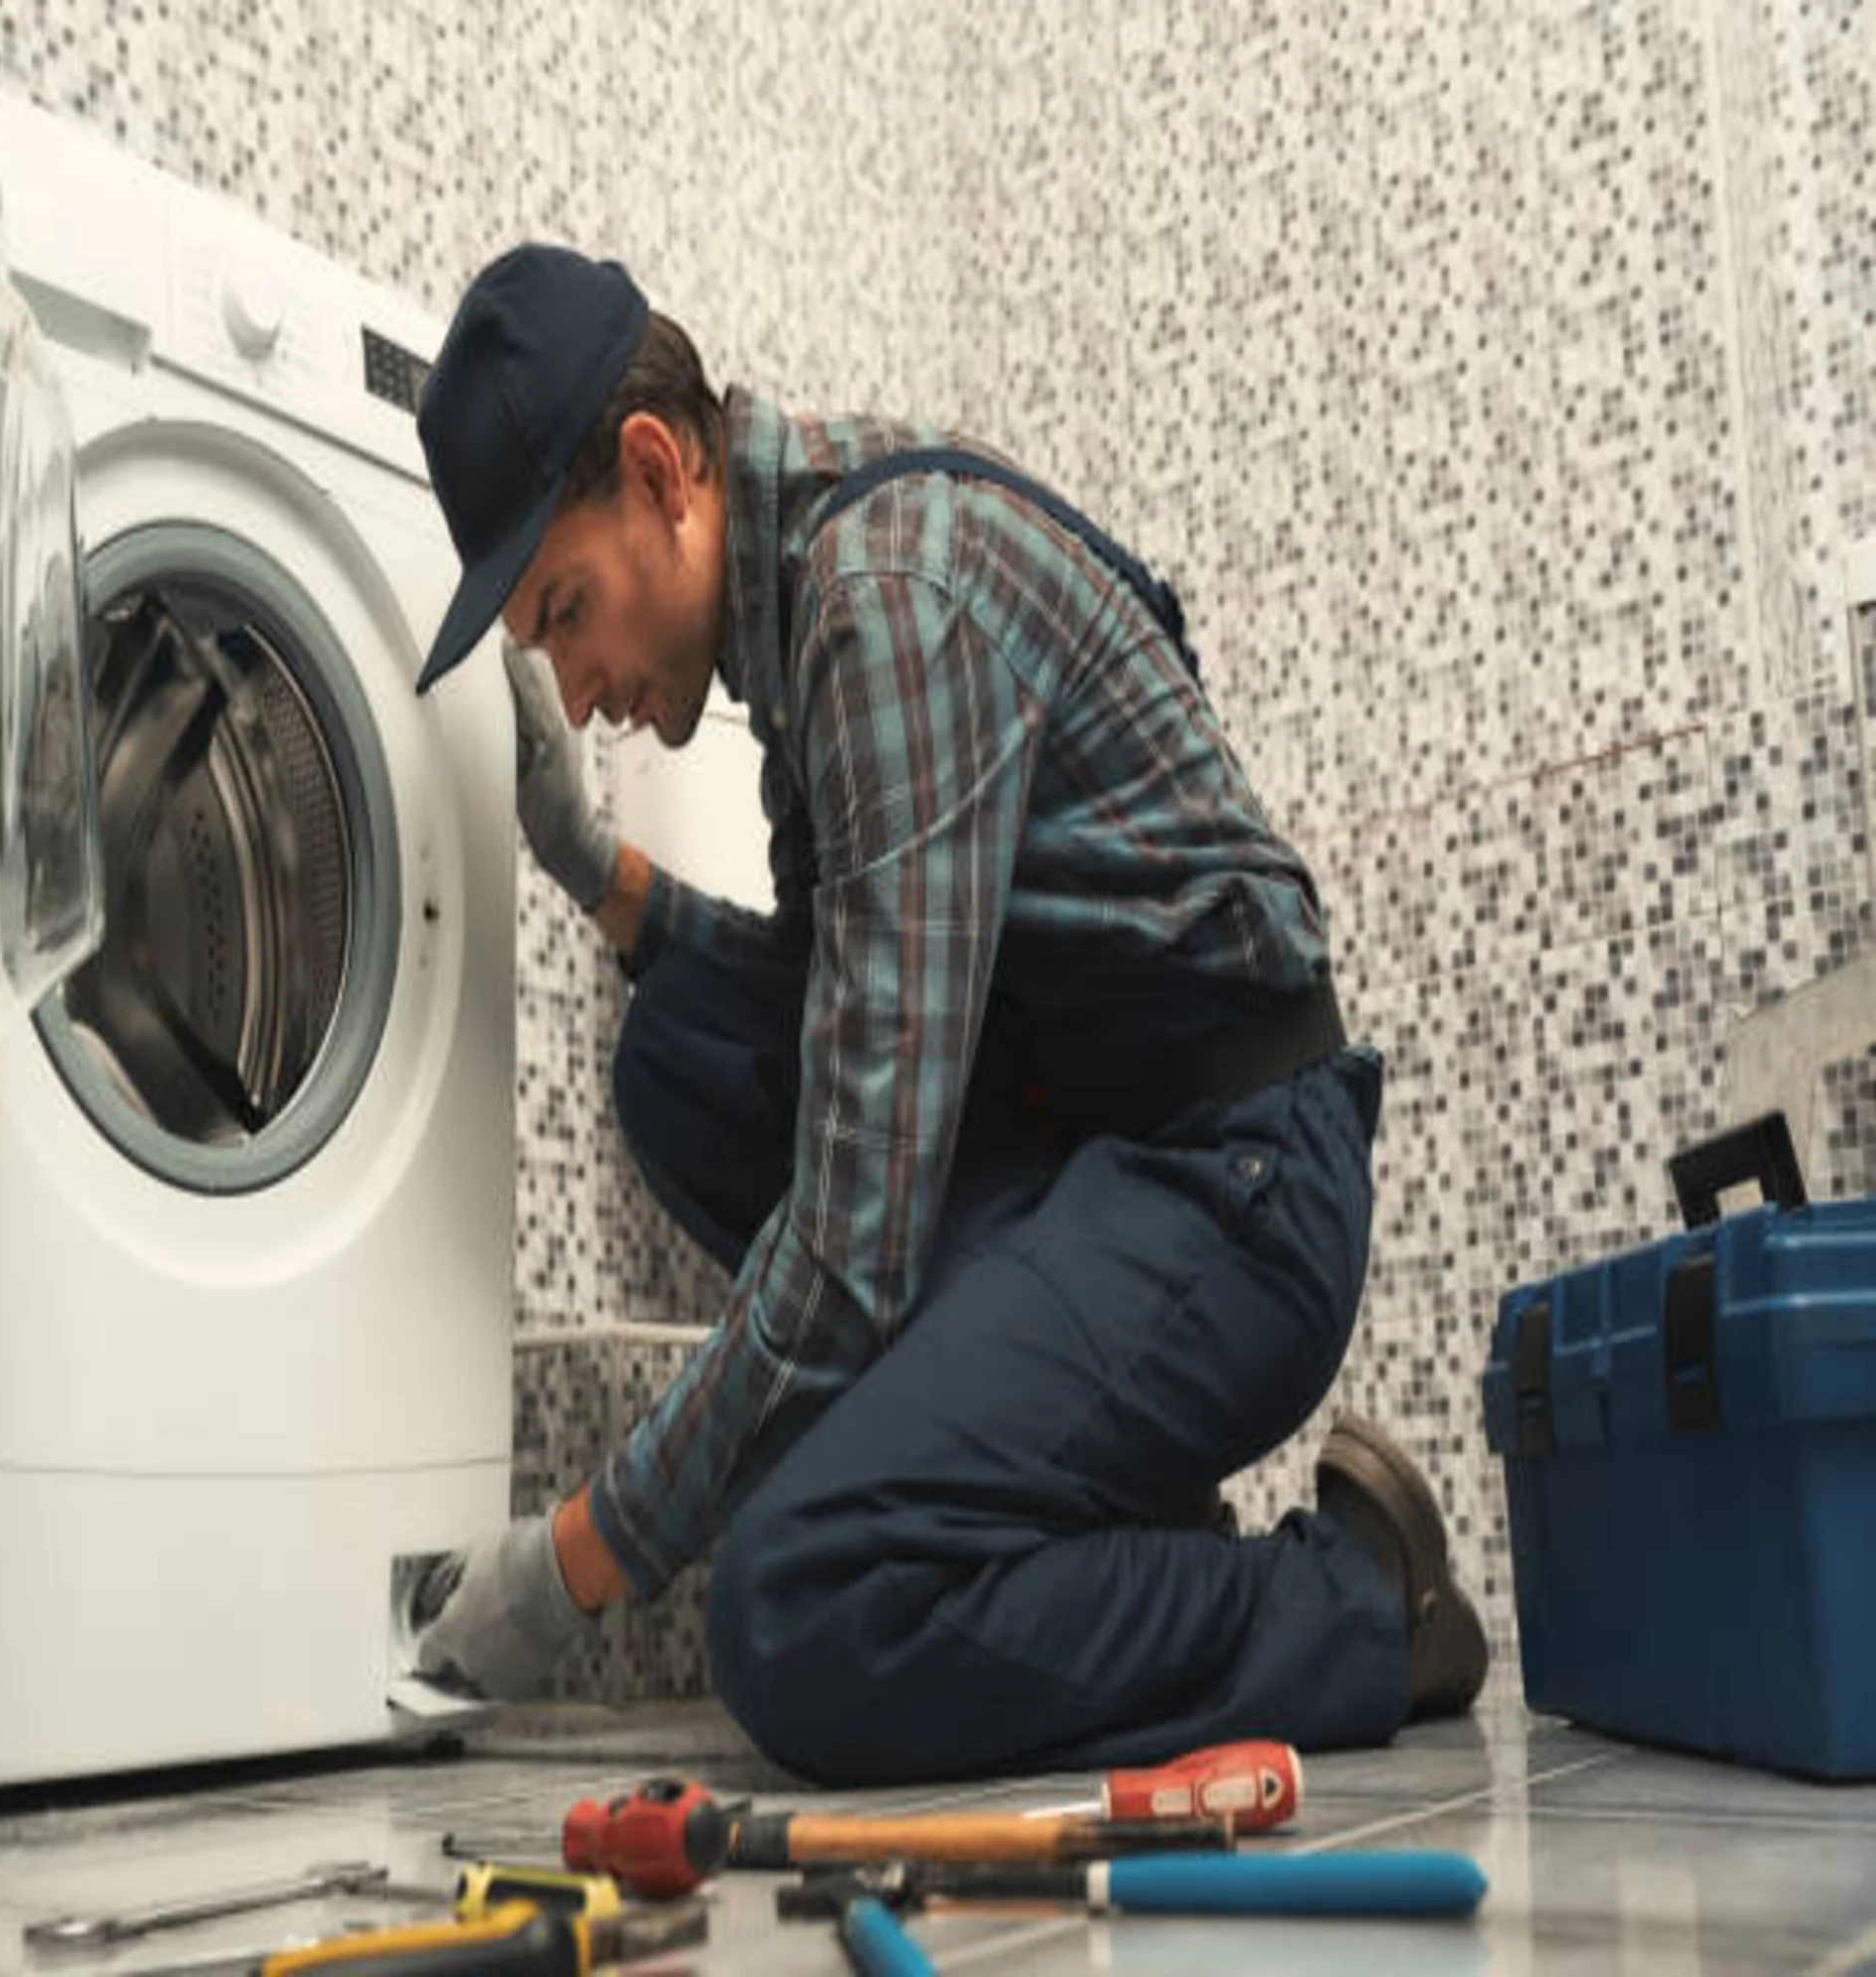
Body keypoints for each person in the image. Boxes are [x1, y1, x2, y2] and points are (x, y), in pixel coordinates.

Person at [406, 242, 1488, 1785]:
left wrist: (581, 1559)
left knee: (798, 1608)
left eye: (565, 612)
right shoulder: (803, 614)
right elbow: (839, 1015)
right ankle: (1091, 1513)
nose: (576, 687)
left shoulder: (886, 602)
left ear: (659, 472)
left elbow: (853, 1248)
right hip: (1097, 1164)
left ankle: (1361, 1606)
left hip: (1234, 1186)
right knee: (685, 1057)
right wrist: (600, 873)